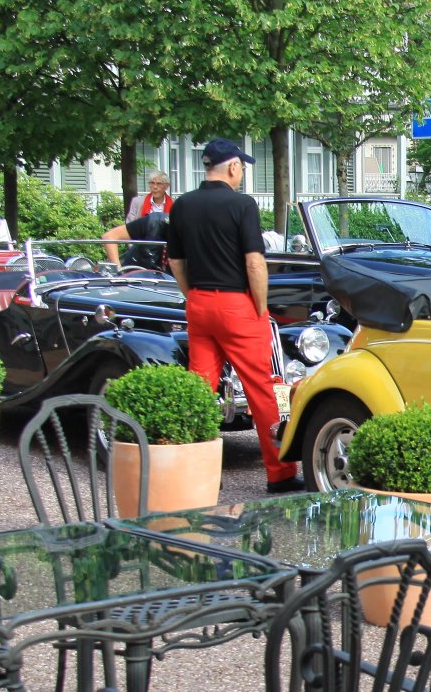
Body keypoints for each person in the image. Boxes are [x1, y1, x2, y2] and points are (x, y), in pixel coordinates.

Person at [166, 138, 302, 493]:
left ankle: (191, 472)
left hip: (199, 302)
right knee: (262, 388)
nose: (241, 174)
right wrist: (260, 306)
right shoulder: (242, 205)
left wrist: (192, 295)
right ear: (232, 167)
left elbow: (176, 262)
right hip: (237, 304)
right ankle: (280, 473)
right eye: (241, 167)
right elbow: (254, 262)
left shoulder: (182, 204)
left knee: (199, 388)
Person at [102, 211, 170, 271]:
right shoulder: (153, 222)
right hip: (132, 276)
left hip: (166, 280)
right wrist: (118, 271)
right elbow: (110, 236)